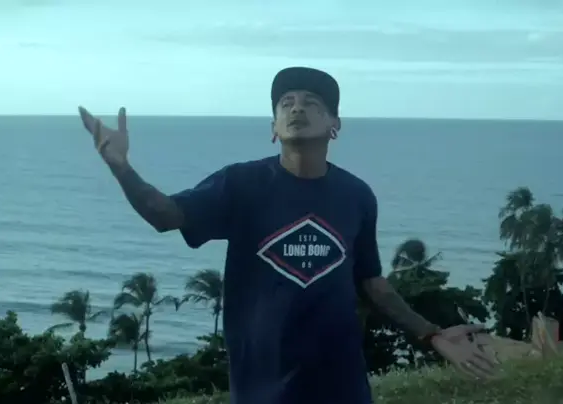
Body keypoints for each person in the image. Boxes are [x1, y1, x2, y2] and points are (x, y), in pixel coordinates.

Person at [77, 66, 496, 404]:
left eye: (311, 102)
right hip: (263, 388)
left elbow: (372, 283)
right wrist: (121, 168)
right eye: (286, 102)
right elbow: (164, 215)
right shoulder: (240, 184)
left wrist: (432, 333)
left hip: (342, 387)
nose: (297, 108)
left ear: (335, 125)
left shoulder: (356, 195)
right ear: (274, 127)